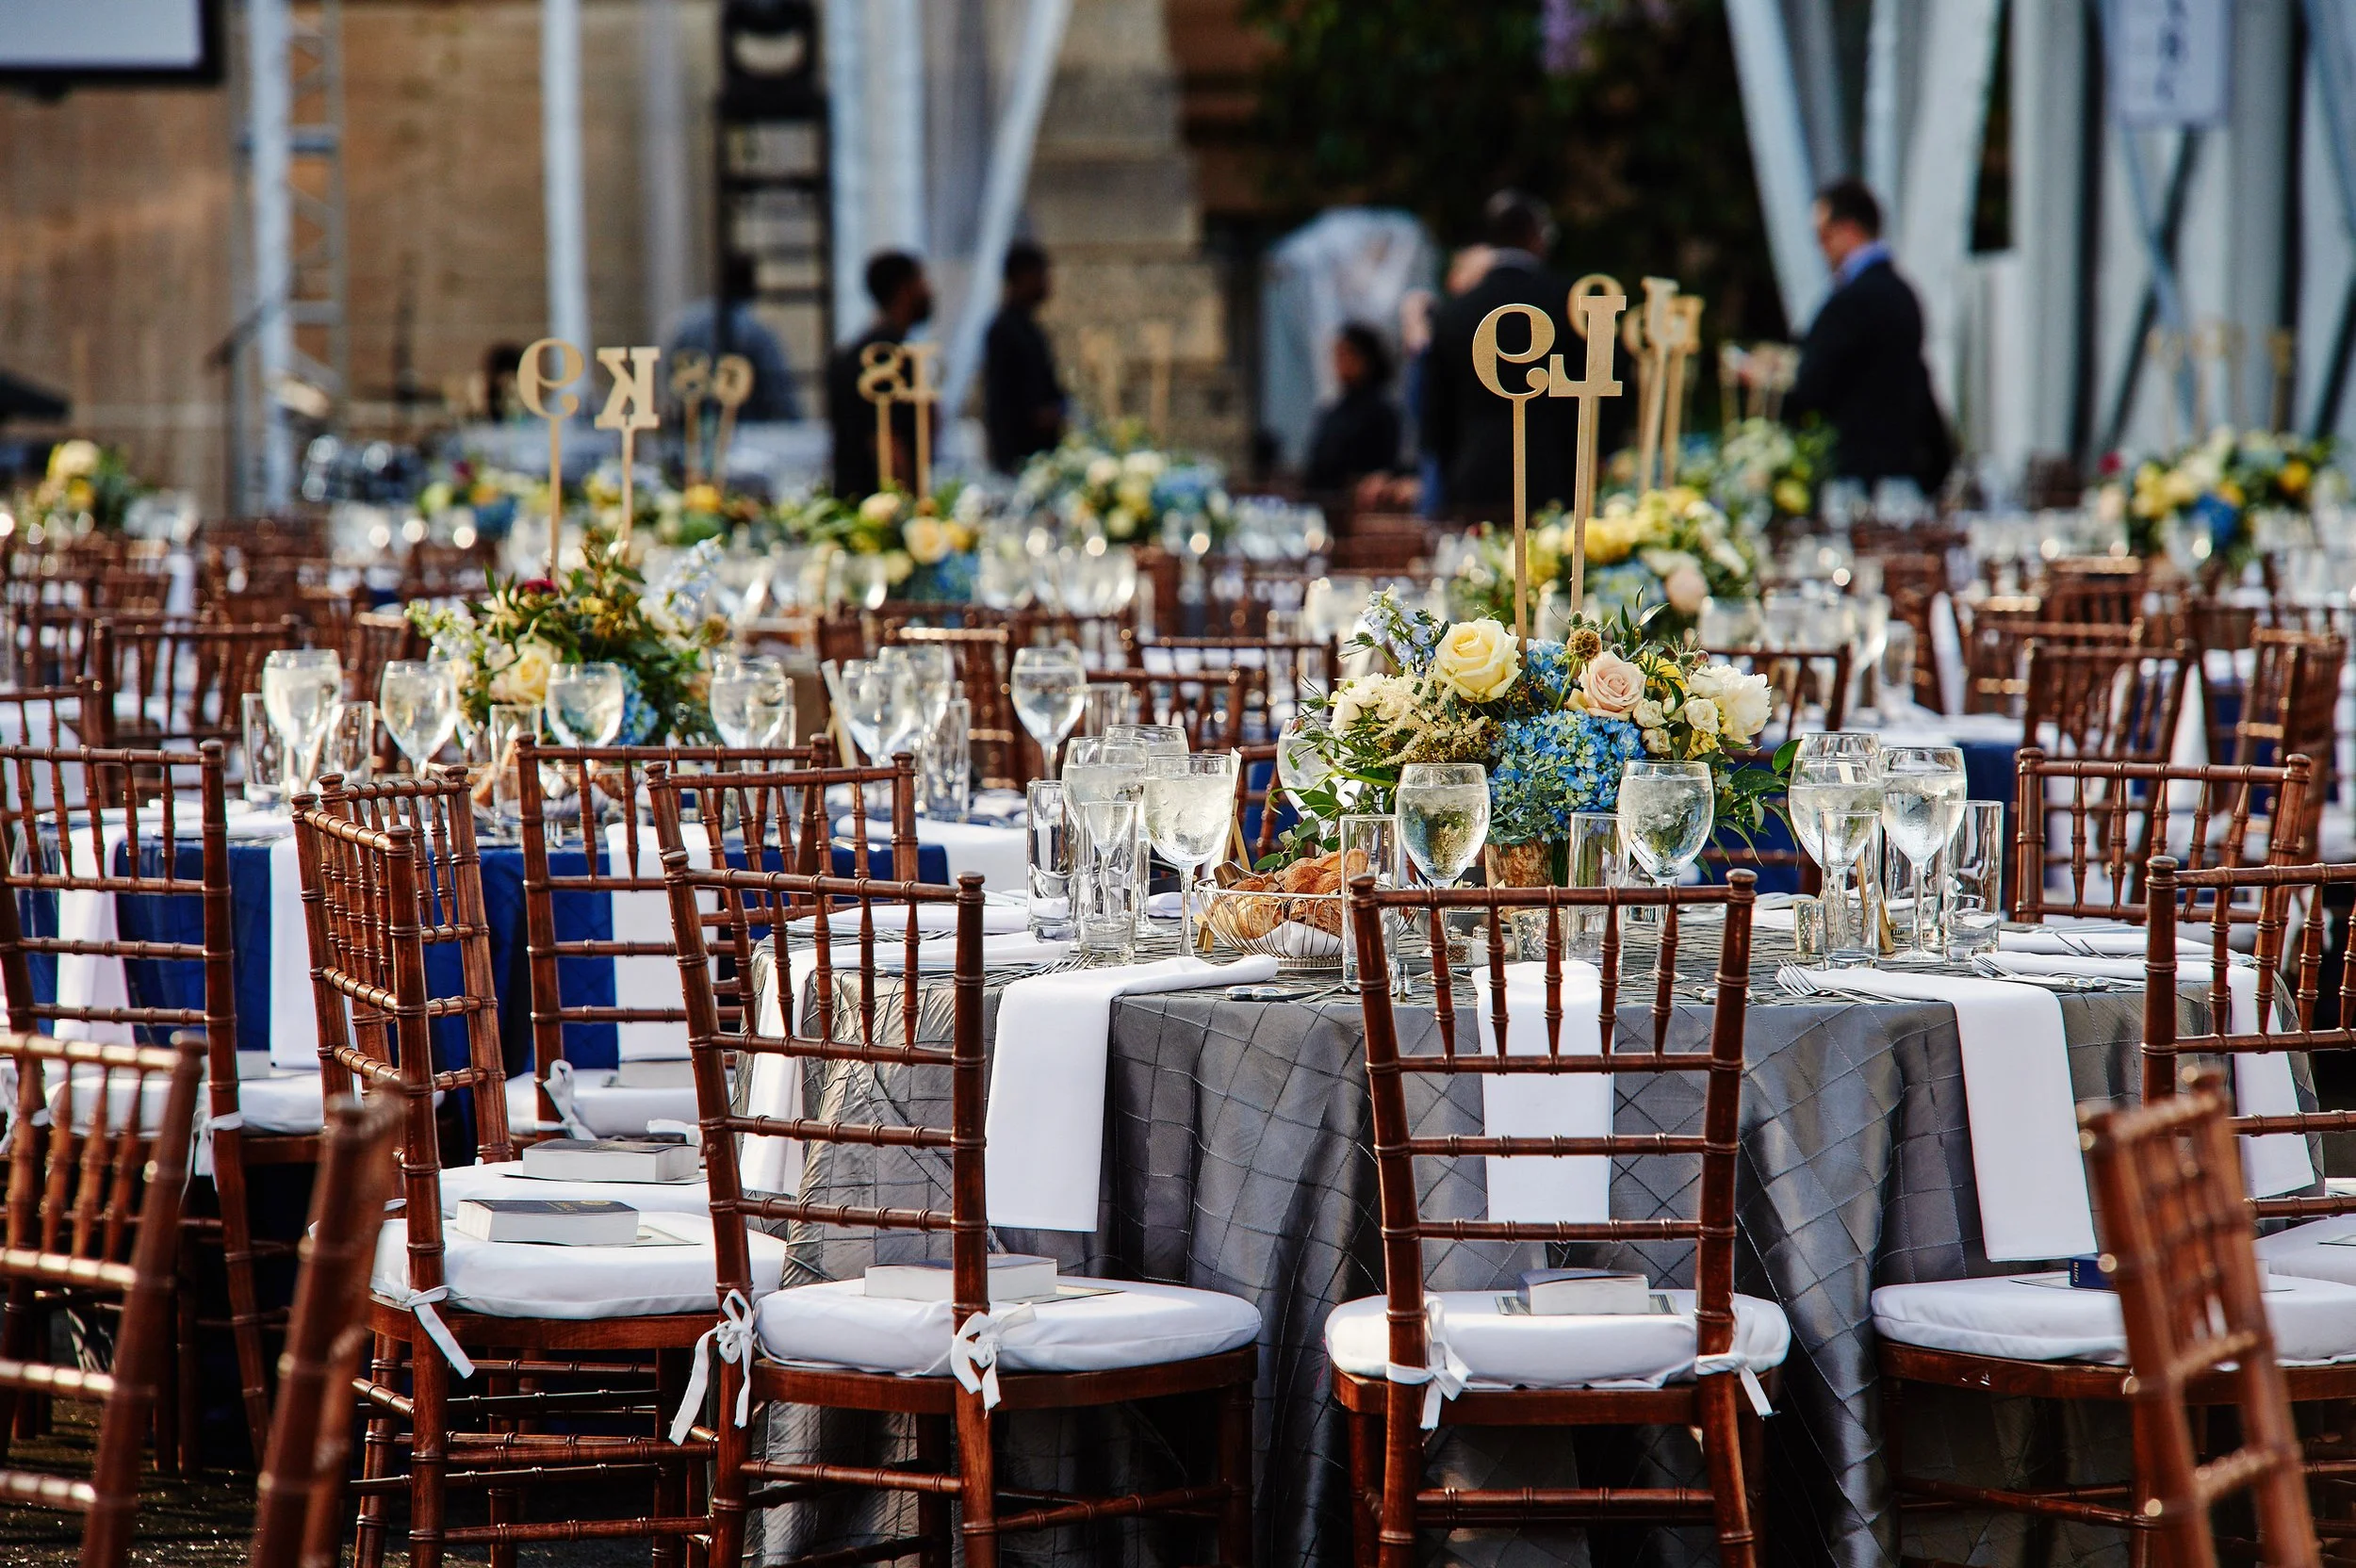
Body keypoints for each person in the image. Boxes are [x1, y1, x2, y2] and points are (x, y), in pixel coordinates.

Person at [1784, 178, 1954, 495]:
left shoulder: (1851, 301)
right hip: (1908, 469)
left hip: (1859, 476)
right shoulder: (1904, 293)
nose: (1821, 248)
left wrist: (1776, 380)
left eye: (1823, 236)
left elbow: (1812, 386)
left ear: (1848, 230)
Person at [1419, 193, 1576, 517]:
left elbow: (1435, 411)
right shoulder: (1570, 304)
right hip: (1553, 470)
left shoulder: (1454, 312)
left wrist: (1448, 470)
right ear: (1535, 236)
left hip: (1474, 471)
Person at [826, 252, 933, 498]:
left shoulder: (855, 350)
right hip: (878, 505)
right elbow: (886, 439)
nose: (929, 291)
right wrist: (905, 506)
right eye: (921, 282)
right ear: (903, 289)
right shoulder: (888, 354)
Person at [666, 255, 802, 421]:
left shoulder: (687, 326)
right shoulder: (757, 332)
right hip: (748, 432)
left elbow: (671, 379)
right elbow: (779, 392)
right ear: (751, 285)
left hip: (696, 431)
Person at [983, 240, 1067, 473]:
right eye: (1041, 274)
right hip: (1019, 454)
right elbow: (1001, 399)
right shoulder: (1003, 329)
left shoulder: (1030, 328)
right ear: (1022, 277)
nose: (1046, 283)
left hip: (1042, 451)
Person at [1303, 323, 1401, 493]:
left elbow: (1386, 466)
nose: (1338, 363)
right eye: (1336, 356)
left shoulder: (1382, 412)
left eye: (1345, 355)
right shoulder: (1333, 411)